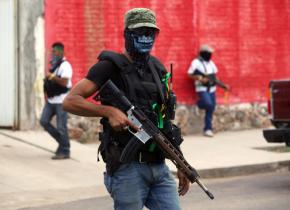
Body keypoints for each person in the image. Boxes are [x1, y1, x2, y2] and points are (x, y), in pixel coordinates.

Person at [63, 8, 189, 210]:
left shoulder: (158, 70)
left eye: (151, 33)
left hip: (159, 168)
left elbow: (165, 123)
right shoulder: (109, 66)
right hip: (128, 169)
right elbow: (70, 101)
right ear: (127, 34)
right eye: (140, 33)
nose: (146, 38)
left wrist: (180, 162)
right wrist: (109, 111)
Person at [188, 44, 229, 137]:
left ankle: (208, 129)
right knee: (208, 104)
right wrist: (200, 78)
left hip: (212, 89)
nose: (210, 55)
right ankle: (198, 104)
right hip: (202, 88)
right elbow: (190, 74)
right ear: (203, 53)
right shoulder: (196, 62)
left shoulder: (211, 63)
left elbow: (215, 78)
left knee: (211, 108)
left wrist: (223, 86)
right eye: (208, 53)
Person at [40, 42, 73, 159]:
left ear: (60, 52)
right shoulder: (54, 65)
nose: (52, 53)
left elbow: (64, 82)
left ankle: (65, 150)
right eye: (52, 51)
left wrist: (52, 77)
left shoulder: (65, 65)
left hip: (62, 101)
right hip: (51, 101)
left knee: (61, 127)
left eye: (54, 51)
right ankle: (63, 144)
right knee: (43, 121)